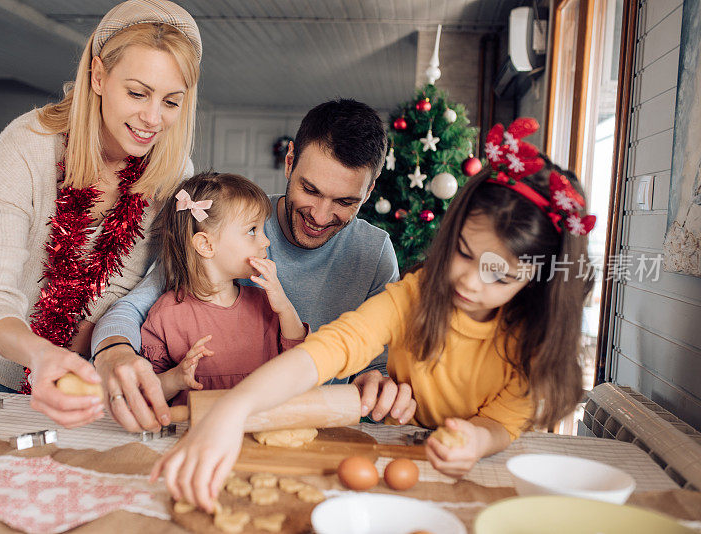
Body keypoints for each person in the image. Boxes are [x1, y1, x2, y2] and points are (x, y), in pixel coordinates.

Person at [150, 119, 597, 511]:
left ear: (535, 281)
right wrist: (234, 411)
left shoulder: (533, 337)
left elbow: (502, 421)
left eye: (500, 276)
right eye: (463, 253)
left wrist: (477, 439)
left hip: (473, 469)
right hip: (397, 453)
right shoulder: (413, 297)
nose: (471, 283)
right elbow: (329, 350)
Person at [0, 0, 202, 428]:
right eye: (137, 92)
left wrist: (105, 347)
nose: (152, 119)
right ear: (98, 76)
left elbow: (132, 282)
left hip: (90, 363)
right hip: (1, 358)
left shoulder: (173, 171)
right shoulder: (27, 146)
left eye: (171, 101)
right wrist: (41, 354)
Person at [90, 99, 400, 432]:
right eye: (310, 189)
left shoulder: (374, 252)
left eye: (344, 201)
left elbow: (385, 364)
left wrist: (380, 382)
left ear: (368, 191)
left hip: (318, 434)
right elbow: (132, 311)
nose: (320, 216)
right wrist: (115, 352)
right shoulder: (230, 223)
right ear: (290, 161)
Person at [140, 172, 308, 404]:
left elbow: (299, 362)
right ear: (206, 245)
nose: (266, 241)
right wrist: (176, 379)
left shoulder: (266, 304)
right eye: (252, 230)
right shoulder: (165, 315)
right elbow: (146, 391)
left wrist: (285, 307)